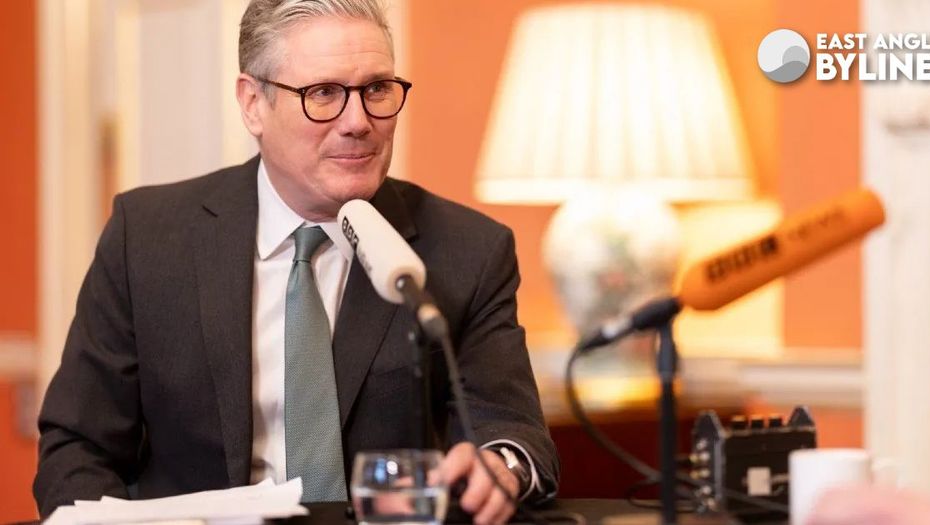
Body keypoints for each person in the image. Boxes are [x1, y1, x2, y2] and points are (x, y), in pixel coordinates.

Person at [32, 1, 558, 522]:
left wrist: (502, 466)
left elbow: (512, 433)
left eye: (377, 89)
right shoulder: (147, 238)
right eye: (323, 93)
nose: (359, 122)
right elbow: (78, 446)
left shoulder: (466, 249)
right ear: (252, 104)